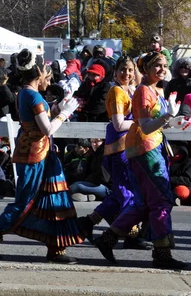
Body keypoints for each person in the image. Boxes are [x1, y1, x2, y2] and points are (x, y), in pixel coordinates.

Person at [0, 48, 83, 264]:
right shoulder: (31, 95)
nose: (48, 75)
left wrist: (56, 108)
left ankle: (56, 250)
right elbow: (47, 129)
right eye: (46, 70)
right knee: (25, 202)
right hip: (35, 154)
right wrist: (65, 112)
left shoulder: (26, 93)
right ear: (37, 71)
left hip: (40, 154)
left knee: (54, 199)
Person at [92, 51, 190, 269]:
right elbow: (144, 126)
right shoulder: (143, 92)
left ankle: (107, 239)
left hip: (153, 147)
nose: (163, 69)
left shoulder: (156, 90)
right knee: (162, 201)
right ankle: (162, 253)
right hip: (145, 151)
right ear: (145, 69)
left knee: (145, 203)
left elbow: (156, 124)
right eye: (157, 65)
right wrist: (166, 117)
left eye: (165, 65)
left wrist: (174, 122)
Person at [76, 56, 150, 250]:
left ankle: (87, 223)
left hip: (131, 148)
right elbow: (117, 124)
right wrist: (142, 122)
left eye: (130, 70)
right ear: (115, 72)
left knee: (118, 195)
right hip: (120, 149)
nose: (127, 74)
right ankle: (132, 234)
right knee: (127, 192)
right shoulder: (117, 92)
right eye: (123, 70)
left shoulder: (131, 90)